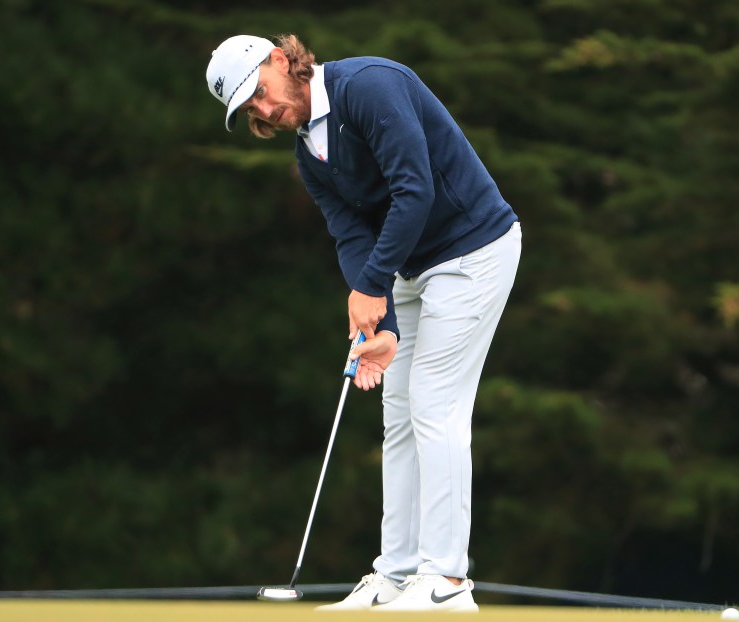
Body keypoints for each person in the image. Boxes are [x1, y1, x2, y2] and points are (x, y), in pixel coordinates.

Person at [205, 33, 521, 612]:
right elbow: (352, 235)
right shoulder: (309, 153)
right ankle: (395, 577)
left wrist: (373, 286)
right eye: (250, 109)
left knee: (435, 403)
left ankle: (447, 583)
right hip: (410, 267)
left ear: (282, 60)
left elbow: (414, 188)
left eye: (261, 92)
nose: (265, 110)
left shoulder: (369, 86)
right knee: (397, 413)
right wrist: (386, 324)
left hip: (474, 249)